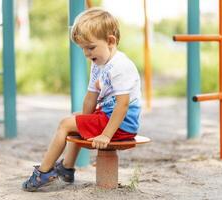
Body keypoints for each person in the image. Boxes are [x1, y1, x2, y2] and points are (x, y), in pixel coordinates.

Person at [22, 8, 142, 192]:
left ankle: (44, 171)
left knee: (65, 124)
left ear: (110, 41)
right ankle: (66, 168)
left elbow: (123, 105)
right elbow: (90, 97)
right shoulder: (98, 63)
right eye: (83, 48)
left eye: (91, 47)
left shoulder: (120, 66)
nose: (86, 53)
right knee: (75, 119)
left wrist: (106, 135)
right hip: (108, 116)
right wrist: (83, 120)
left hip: (122, 123)